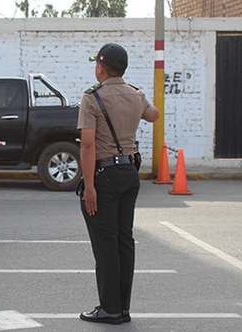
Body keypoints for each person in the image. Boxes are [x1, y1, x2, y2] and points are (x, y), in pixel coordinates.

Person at [77, 43, 159, 324]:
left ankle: (109, 308)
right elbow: (154, 115)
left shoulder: (92, 98)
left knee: (105, 244)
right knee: (125, 241)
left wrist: (89, 187)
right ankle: (123, 307)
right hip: (128, 173)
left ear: (100, 67)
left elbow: (87, 146)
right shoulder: (135, 95)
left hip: (104, 176)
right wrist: (136, 100)